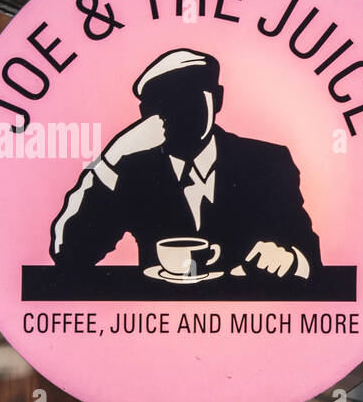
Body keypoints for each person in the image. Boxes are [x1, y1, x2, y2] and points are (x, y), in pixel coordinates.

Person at [49, 49, 321, 279]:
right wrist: (112, 157)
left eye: (187, 98)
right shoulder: (134, 171)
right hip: (153, 327)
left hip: (249, 325)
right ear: (145, 115)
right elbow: (69, 253)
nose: (175, 113)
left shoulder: (265, 163)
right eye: (160, 103)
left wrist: (291, 261)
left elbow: (309, 256)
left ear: (217, 99)